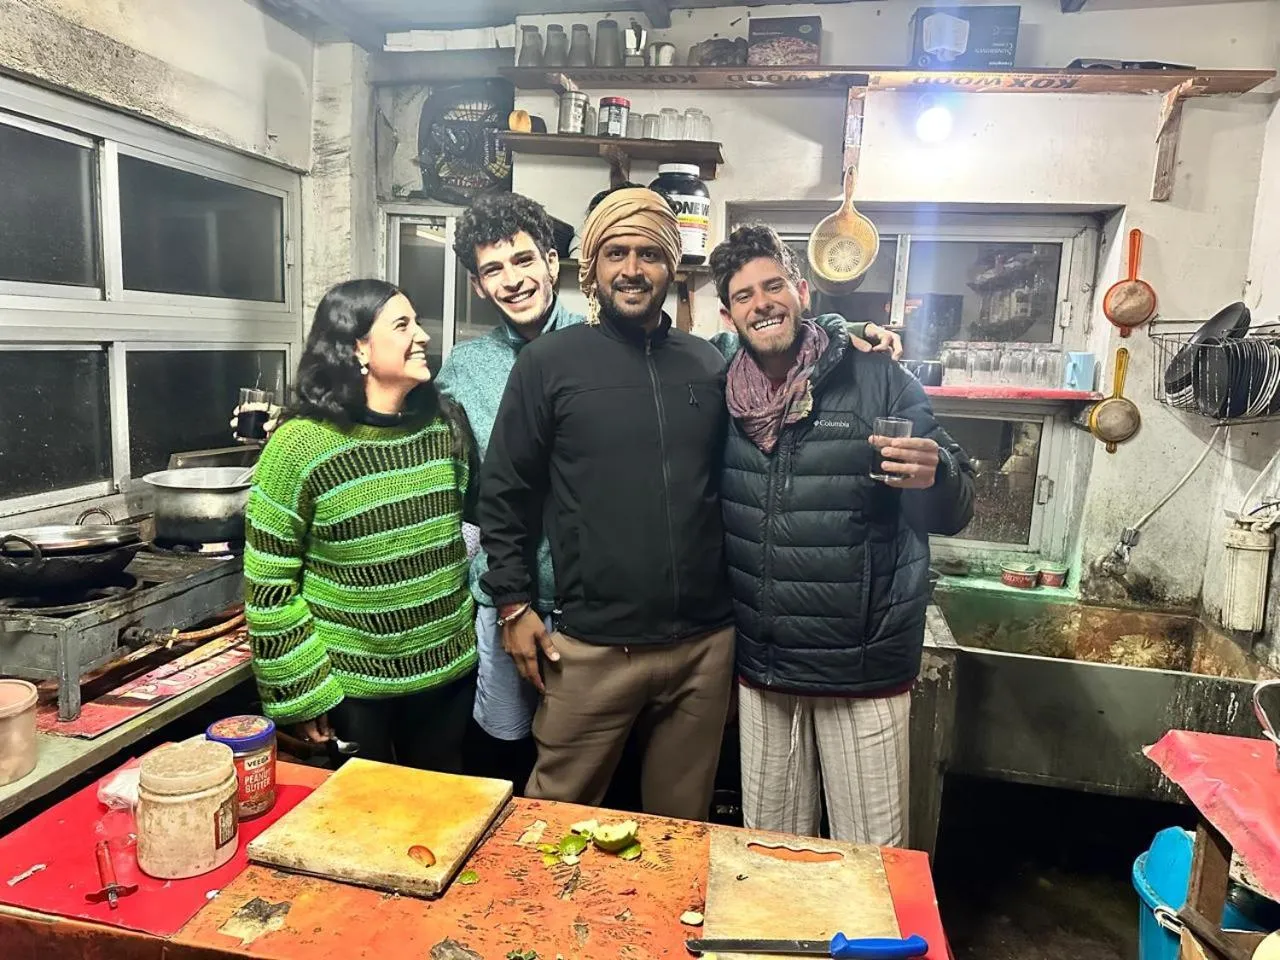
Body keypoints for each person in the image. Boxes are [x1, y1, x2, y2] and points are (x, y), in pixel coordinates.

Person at [709, 225, 975, 846]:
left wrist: (936, 477)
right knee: (770, 856)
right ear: (728, 315)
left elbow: (954, 505)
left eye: (773, 285)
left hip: (861, 666)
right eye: (744, 295)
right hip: (765, 663)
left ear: (800, 290)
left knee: (870, 860)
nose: (762, 303)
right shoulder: (720, 391)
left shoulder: (880, 378)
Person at [478, 188, 739, 820]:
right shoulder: (549, 363)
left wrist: (850, 336)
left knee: (679, 831)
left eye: (649, 253)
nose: (632, 268)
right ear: (590, 267)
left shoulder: (704, 363)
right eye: (616, 252)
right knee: (553, 822)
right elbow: (504, 494)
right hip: (592, 646)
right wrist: (513, 605)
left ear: (671, 267)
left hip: (703, 646)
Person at [243, 279, 479, 772]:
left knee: (441, 816)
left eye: (417, 322)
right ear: (357, 347)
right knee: (360, 825)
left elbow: (464, 532)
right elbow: (270, 585)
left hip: (446, 673)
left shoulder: (445, 425)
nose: (423, 336)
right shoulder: (300, 447)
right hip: (350, 687)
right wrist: (301, 688)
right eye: (402, 325)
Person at [438, 193, 583, 788]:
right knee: (503, 764)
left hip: (589, 608)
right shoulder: (464, 366)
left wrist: (843, 328)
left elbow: (720, 353)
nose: (513, 280)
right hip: (505, 602)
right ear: (477, 285)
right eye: (493, 269)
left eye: (523, 260)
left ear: (552, 260)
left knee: (585, 770)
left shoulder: (600, 340)